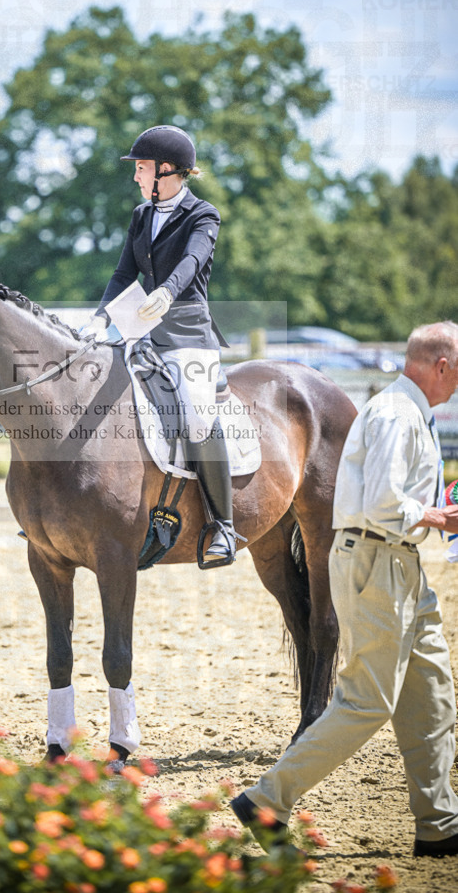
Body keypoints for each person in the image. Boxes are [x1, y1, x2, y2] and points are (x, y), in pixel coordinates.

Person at [231, 321, 458, 858]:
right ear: (442, 366)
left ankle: (439, 824)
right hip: (377, 559)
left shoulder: (411, 415)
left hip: (403, 566)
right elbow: (383, 504)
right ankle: (267, 800)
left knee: (432, 693)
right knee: (366, 702)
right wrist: (437, 517)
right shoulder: (396, 416)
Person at [82, 124, 238, 562]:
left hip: (188, 336)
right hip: (142, 331)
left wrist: (167, 292)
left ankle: (223, 526)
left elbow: (192, 261)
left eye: (143, 168)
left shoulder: (203, 215)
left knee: (197, 417)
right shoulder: (141, 215)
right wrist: (99, 319)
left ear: (167, 170)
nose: (136, 176)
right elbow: (121, 274)